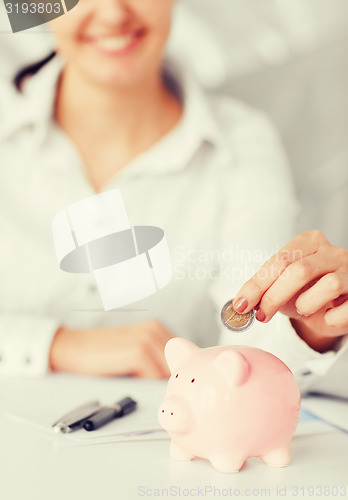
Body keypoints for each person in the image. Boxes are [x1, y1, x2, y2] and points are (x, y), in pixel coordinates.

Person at [0, 0, 347, 395]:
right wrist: (57, 344)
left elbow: (252, 349)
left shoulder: (243, 144)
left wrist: (307, 329)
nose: (114, 13)